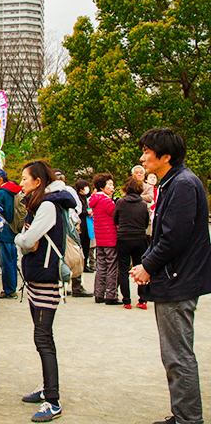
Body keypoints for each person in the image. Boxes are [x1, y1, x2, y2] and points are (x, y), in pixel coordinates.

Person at [130, 128, 211, 424]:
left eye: (147, 152)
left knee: (178, 356)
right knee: (175, 355)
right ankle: (183, 414)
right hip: (176, 278)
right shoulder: (175, 182)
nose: (143, 157)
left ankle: (188, 418)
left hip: (179, 280)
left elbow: (173, 237)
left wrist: (147, 265)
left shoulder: (183, 184)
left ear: (166, 156)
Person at [15, 160, 74, 422]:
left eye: (25, 178)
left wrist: (20, 240)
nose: (22, 183)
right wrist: (27, 242)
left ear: (38, 181)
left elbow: (26, 239)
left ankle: (53, 399)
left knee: (43, 338)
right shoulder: (40, 204)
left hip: (46, 279)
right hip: (38, 278)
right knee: (41, 337)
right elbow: (29, 242)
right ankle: (46, 389)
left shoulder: (48, 206)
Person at [54, 170, 92, 298]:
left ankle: (63, 284)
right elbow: (78, 207)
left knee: (62, 253)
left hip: (59, 226)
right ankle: (76, 285)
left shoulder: (53, 191)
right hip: (70, 225)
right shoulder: (68, 190)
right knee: (75, 253)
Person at [113, 177, 150, 310]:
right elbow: (146, 222)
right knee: (140, 267)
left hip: (123, 237)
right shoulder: (143, 204)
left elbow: (115, 219)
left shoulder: (121, 202)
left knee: (123, 269)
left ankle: (126, 300)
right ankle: (143, 299)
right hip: (140, 238)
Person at [89, 173, 120, 305]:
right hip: (110, 238)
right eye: (110, 184)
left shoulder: (95, 201)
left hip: (100, 239)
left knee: (101, 266)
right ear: (102, 187)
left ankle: (99, 293)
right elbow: (116, 216)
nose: (112, 187)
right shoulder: (107, 201)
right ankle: (111, 294)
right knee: (112, 267)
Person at [0, 168, 22, 299]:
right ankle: (13, 287)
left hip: (4, 230)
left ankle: (9, 290)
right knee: (13, 260)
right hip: (14, 229)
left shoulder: (1, 193)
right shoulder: (14, 190)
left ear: (1, 179)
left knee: (6, 261)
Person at [74, 179, 94, 273]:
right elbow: (78, 211)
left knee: (86, 245)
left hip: (87, 224)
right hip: (80, 224)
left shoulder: (85, 198)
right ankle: (79, 265)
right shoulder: (77, 198)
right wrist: (87, 212)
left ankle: (85, 264)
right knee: (80, 245)